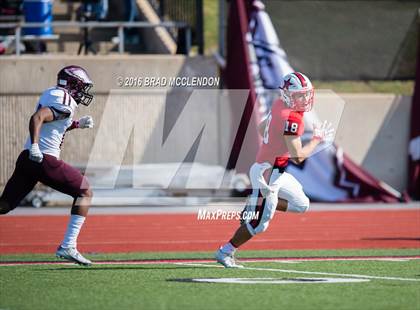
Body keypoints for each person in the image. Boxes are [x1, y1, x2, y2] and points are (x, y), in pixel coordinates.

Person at [215, 72, 334, 268]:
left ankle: (254, 203)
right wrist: (316, 139)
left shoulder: (279, 105)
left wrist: (278, 143)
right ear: (288, 95)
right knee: (259, 224)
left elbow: (263, 129)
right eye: (299, 95)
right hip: (268, 174)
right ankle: (225, 251)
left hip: (273, 170)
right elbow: (298, 157)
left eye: (306, 94)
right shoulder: (292, 117)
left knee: (302, 204)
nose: (305, 99)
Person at [0, 65, 95, 266]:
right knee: (85, 191)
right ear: (71, 84)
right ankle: (68, 245)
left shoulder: (53, 95)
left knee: (4, 205)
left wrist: (77, 124)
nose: (82, 92)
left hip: (27, 158)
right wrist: (36, 146)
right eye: (80, 87)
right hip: (43, 158)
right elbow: (38, 117)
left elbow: (54, 121)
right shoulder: (64, 98)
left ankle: (69, 246)